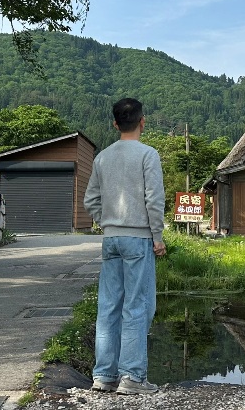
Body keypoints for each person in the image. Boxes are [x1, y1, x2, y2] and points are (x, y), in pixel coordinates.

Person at [84, 98, 166, 395]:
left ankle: (104, 376)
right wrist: (157, 236)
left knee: (109, 306)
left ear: (115, 123)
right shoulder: (148, 155)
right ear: (143, 121)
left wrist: (106, 222)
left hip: (111, 239)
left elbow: (90, 199)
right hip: (139, 238)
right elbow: (154, 200)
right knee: (138, 306)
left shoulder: (102, 157)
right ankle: (132, 377)